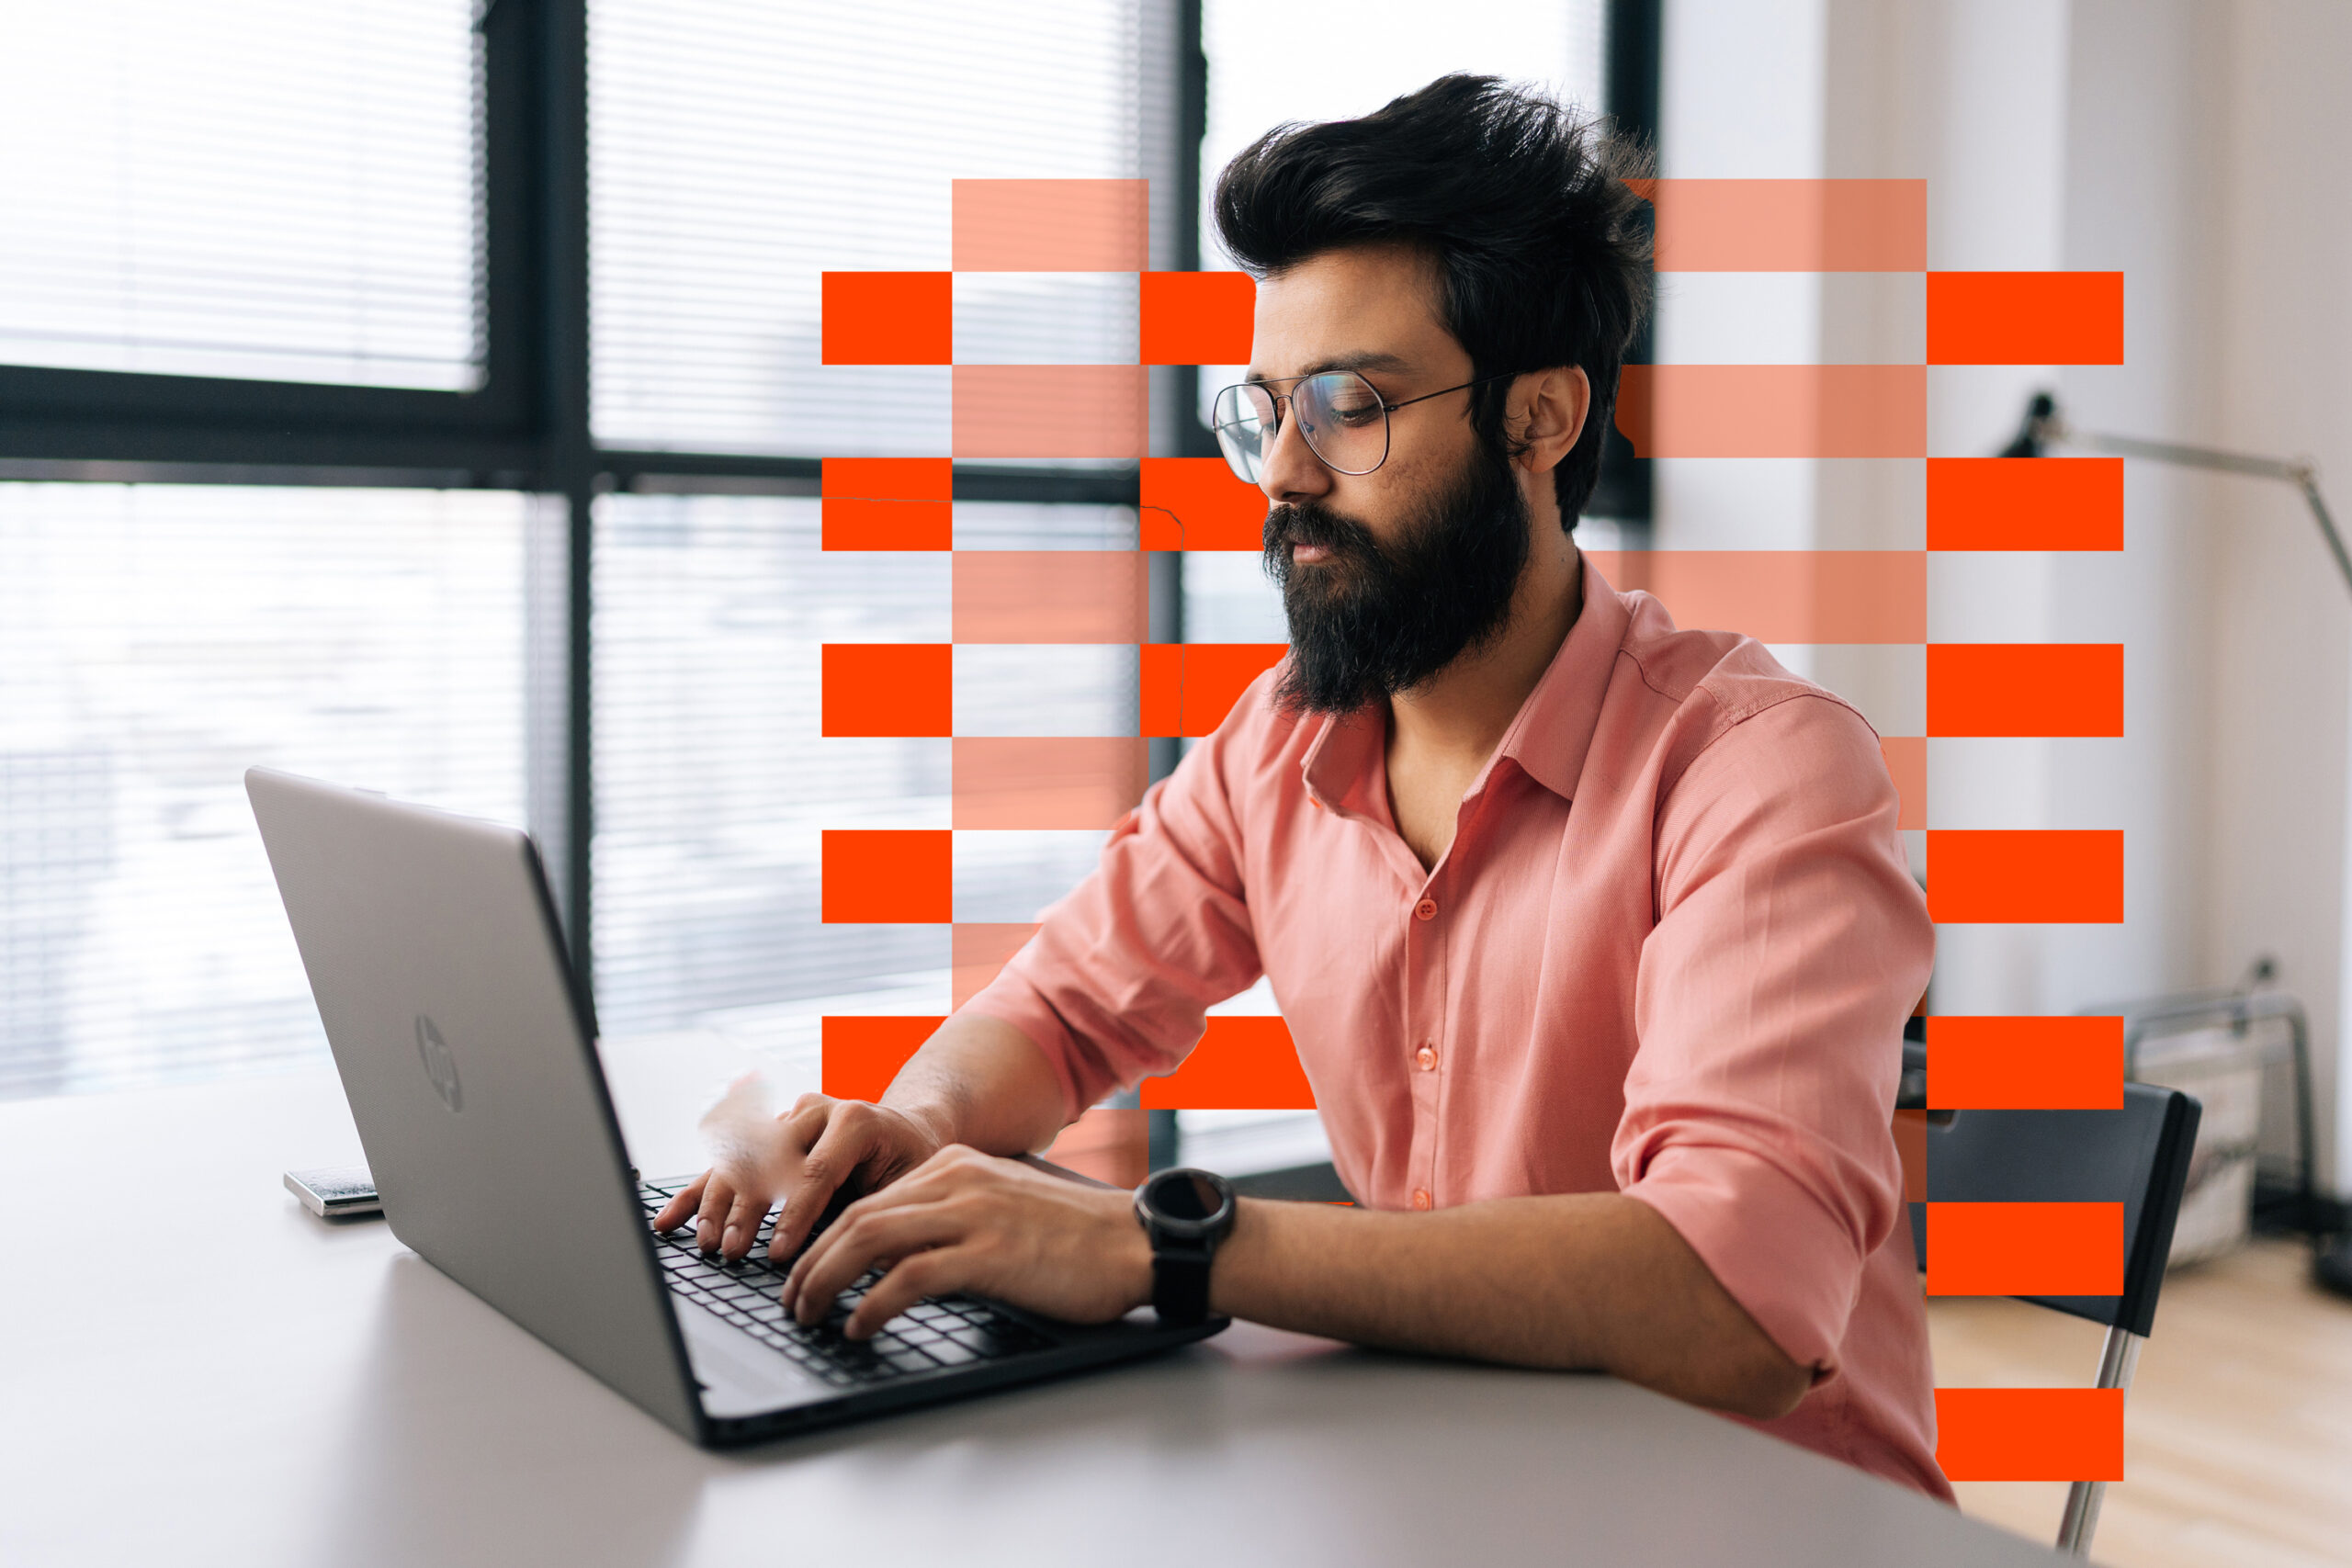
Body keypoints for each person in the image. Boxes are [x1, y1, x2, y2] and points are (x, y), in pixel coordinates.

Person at [655, 73, 1948, 1500]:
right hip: (1454, 1485)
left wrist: (1169, 1247)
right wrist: (919, 1127)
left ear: (1543, 420)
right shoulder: (1282, 742)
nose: (1282, 473)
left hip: (1764, 1521)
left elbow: (1739, 1296)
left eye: (1351, 407)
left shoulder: (1761, 767)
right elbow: (1059, 1009)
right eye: (1266, 409)